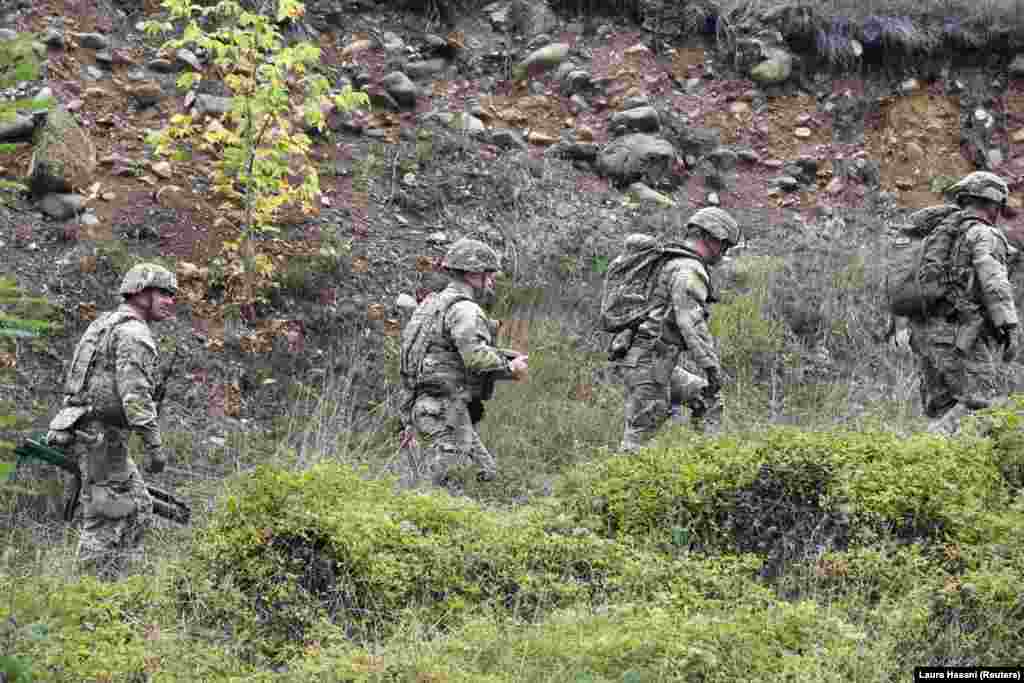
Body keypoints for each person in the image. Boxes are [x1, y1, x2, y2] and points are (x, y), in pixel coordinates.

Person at [45, 263, 177, 576]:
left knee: (139, 507)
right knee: (107, 514)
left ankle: (117, 584)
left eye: (172, 295)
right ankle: (86, 594)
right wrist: (154, 446)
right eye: (164, 293)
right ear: (141, 292)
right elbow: (135, 395)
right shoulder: (133, 332)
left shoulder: (106, 322)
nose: (170, 300)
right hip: (99, 435)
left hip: (87, 429)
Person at [399, 238, 529, 492]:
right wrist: (510, 368)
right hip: (444, 409)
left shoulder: (431, 304)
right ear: (472, 275)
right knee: (446, 487)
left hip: (429, 406)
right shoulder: (465, 309)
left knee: (485, 472)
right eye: (488, 275)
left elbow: (441, 353)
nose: (491, 282)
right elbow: (476, 357)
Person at [907, 171, 1019, 435]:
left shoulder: (937, 235)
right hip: (958, 335)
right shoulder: (983, 234)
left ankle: (926, 464)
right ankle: (927, 450)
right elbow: (994, 284)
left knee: (944, 408)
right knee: (982, 404)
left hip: (923, 333)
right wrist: (1009, 326)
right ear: (992, 202)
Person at [619, 207, 740, 451]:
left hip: (648, 360)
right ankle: (614, 485)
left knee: (707, 397)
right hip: (649, 364)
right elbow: (691, 324)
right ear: (711, 238)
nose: (724, 252)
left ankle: (708, 462)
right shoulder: (688, 269)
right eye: (724, 245)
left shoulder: (670, 259)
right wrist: (712, 368)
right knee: (637, 443)